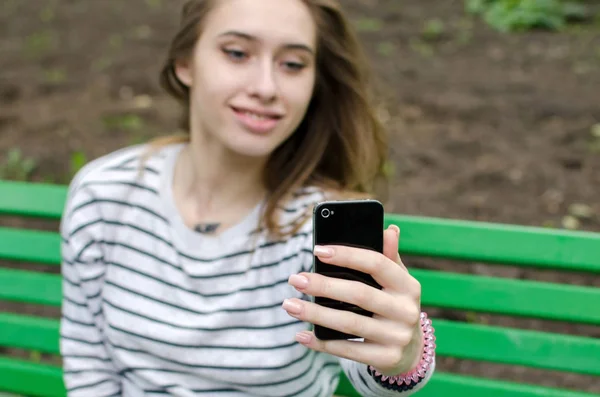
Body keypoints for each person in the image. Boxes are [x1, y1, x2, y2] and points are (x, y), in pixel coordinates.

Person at [58, 0, 436, 396]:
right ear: (185, 62)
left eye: (292, 64)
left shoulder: (319, 228)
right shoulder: (104, 195)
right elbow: (90, 371)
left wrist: (404, 350)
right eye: (237, 53)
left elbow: (369, 365)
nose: (266, 88)